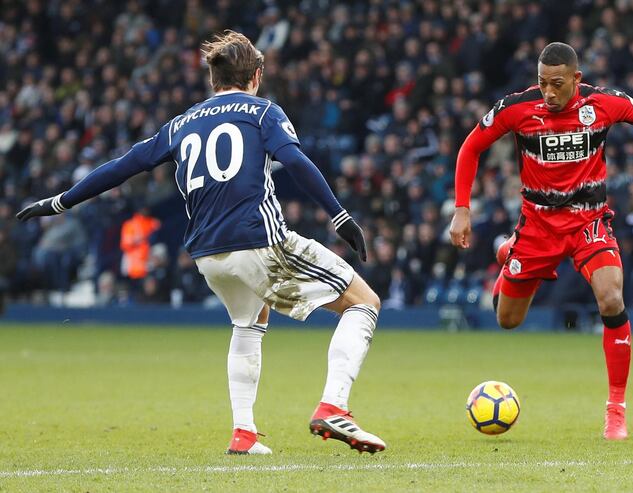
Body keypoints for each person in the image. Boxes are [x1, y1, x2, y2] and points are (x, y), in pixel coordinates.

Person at [17, 31, 385, 455]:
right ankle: (333, 406)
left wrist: (60, 202)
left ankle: (244, 434)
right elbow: (297, 160)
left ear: (213, 79)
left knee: (249, 323)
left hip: (207, 254)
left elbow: (122, 167)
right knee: (363, 301)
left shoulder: (182, 123)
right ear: (257, 75)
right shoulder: (263, 112)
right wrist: (339, 216)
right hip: (259, 240)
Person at [449, 42, 633, 440]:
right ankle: (509, 254)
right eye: (542, 83)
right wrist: (462, 208)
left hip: (590, 222)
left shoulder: (603, 104)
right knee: (508, 320)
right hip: (538, 228)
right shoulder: (516, 108)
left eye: (557, 84)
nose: (549, 93)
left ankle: (615, 410)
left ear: (576, 79)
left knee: (611, 299)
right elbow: (471, 147)